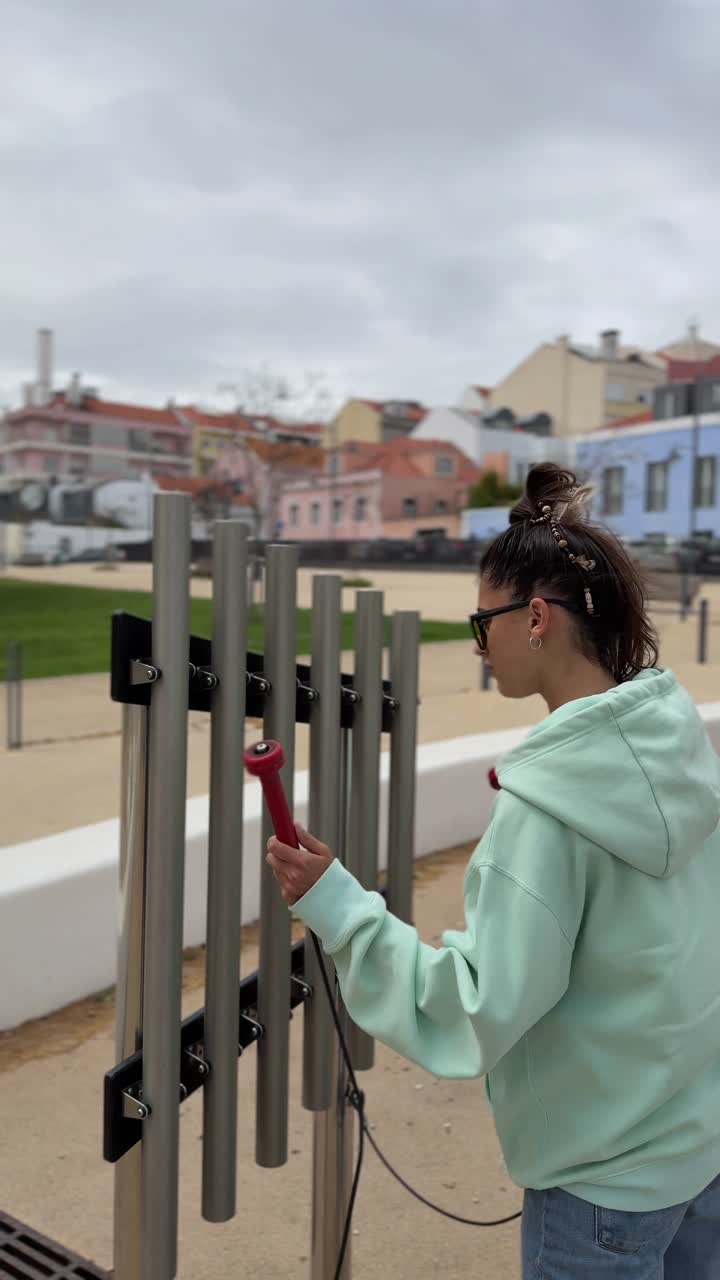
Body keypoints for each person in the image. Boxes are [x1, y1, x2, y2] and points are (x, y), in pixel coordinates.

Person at [266, 463, 720, 1279]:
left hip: (602, 1188)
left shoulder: (546, 809)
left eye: (484, 624)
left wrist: (341, 908)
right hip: (702, 1151)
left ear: (536, 618)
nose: (481, 646)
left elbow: (473, 1009)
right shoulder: (681, 747)